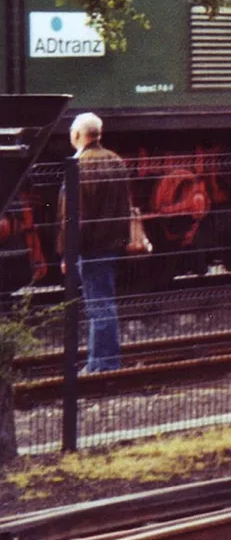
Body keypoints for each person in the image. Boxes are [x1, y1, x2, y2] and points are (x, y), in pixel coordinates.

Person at [58, 112, 130, 373]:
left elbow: (73, 216)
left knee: (98, 304)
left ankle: (103, 364)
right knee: (103, 301)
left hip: (90, 248)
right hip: (111, 244)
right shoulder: (116, 161)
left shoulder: (79, 166)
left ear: (77, 136)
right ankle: (103, 361)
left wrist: (68, 252)